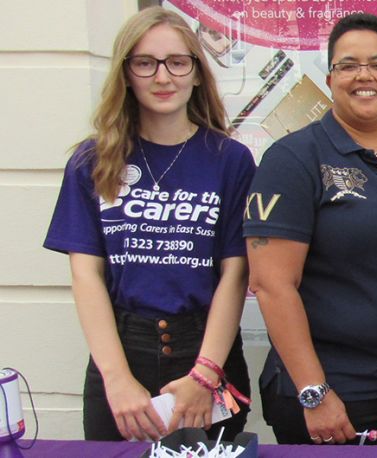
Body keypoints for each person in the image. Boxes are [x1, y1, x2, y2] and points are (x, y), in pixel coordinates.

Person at [243, 13, 377, 445]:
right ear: (329, 78)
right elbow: (272, 285)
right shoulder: (293, 159)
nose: (365, 75)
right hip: (338, 395)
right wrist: (313, 392)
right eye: (349, 65)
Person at [43, 7, 255, 441]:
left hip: (206, 353)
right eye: (145, 63)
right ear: (125, 73)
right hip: (122, 354)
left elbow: (236, 273)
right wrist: (117, 379)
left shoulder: (230, 160)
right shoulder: (92, 161)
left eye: (178, 62)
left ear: (197, 73)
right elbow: (86, 277)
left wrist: (205, 375)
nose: (163, 77)